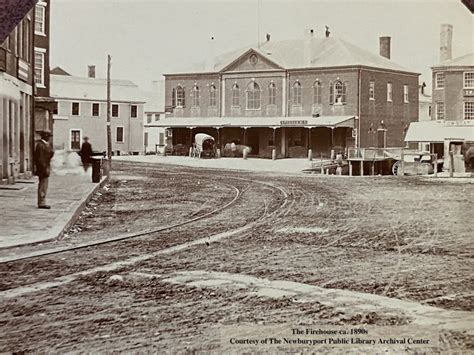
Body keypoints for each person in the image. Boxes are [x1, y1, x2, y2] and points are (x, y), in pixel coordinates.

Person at [34, 129, 54, 209]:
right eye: (48, 136)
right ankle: (41, 202)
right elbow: (41, 159)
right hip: (43, 168)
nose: (49, 138)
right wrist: (44, 168)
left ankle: (42, 201)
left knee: (44, 185)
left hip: (45, 167)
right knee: (43, 185)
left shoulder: (44, 144)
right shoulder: (41, 145)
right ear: (45, 136)